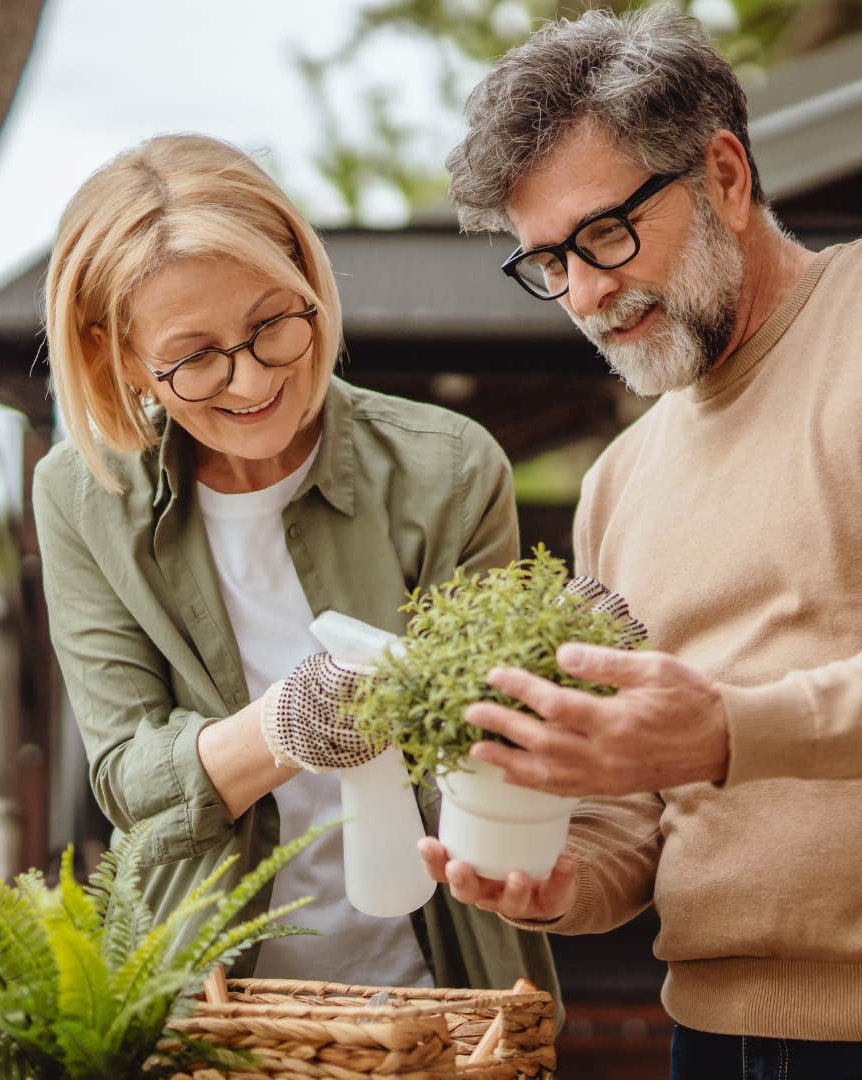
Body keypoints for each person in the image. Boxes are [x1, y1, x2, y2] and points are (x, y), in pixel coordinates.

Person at [417, 8, 862, 1077]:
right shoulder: (617, 484)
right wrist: (561, 883)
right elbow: (633, 815)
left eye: (603, 234)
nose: (588, 292)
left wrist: (728, 731)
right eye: (547, 262)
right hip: (714, 1030)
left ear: (726, 178)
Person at [32, 133, 556, 995]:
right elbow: (127, 778)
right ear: (122, 357)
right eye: (196, 357)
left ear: (307, 277)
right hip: (203, 1011)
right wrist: (283, 728)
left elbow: (493, 757)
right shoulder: (82, 496)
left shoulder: (448, 469)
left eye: (273, 322)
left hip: (441, 998)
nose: (249, 382)